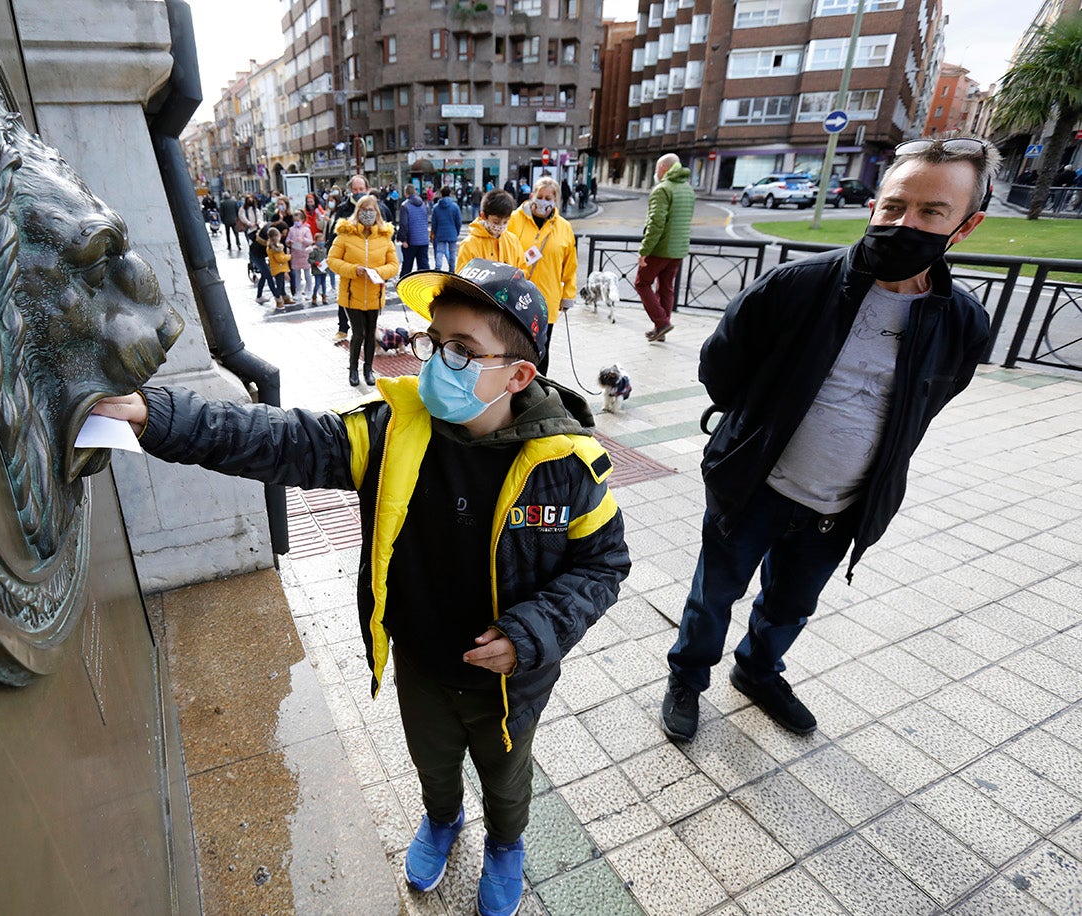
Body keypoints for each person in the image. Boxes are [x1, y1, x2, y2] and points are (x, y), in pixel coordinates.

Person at [89, 259, 629, 916]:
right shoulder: (393, 432)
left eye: (463, 352)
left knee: (506, 779)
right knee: (433, 763)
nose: (439, 363)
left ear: (517, 375)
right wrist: (159, 416)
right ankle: (441, 820)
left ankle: (506, 846)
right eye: (437, 343)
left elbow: (603, 564)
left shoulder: (568, 464)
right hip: (423, 661)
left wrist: (533, 632)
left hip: (512, 684)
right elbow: (282, 440)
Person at [659, 136, 999, 743]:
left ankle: (758, 671)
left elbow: (930, 402)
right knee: (714, 594)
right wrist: (756, 429)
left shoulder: (961, 322)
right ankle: (688, 675)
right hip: (755, 486)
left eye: (931, 213)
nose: (904, 223)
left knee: (791, 604)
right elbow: (720, 367)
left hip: (842, 503)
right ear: (874, 205)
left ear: (966, 226)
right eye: (894, 207)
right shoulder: (799, 285)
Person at [506, 176, 576, 374]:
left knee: (542, 349)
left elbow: (570, 264)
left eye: (548, 197)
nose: (543, 201)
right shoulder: (514, 220)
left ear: (555, 200)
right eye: (540, 196)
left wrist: (568, 295)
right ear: (532, 196)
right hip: (517, 297)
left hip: (548, 298)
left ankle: (538, 390)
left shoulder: (564, 227)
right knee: (515, 346)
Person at [327, 195, 399, 386]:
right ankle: (353, 370)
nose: (368, 213)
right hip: (352, 295)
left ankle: (368, 369)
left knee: (370, 333)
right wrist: (353, 270)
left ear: (377, 212)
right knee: (358, 333)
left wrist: (378, 272)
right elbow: (332, 261)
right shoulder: (345, 235)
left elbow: (393, 265)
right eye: (364, 209)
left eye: (371, 209)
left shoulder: (384, 237)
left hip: (375, 294)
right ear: (357, 211)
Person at [634, 153, 696, 343]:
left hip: (661, 249)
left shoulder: (662, 189)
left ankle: (661, 323)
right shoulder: (687, 189)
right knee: (666, 287)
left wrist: (644, 251)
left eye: (656, 168)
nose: (655, 172)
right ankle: (661, 327)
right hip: (678, 249)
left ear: (663, 168)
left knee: (641, 283)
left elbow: (656, 223)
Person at [328, 174, 393, 341]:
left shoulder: (380, 208)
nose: (358, 192)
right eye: (355, 190)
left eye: (361, 189)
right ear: (350, 190)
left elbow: (387, 233)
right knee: (346, 299)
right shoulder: (343, 209)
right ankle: (343, 328)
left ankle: (370, 334)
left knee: (370, 311)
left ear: (367, 189)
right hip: (351, 273)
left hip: (373, 274)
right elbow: (334, 236)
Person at [457, 190, 527, 272]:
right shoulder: (469, 245)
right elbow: (461, 279)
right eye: (496, 222)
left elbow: (523, 269)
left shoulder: (513, 241)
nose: (500, 226)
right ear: (483, 216)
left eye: (505, 222)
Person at [397, 184, 432, 278]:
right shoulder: (423, 204)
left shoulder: (405, 205)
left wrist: (403, 239)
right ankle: (426, 285)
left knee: (407, 266)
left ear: (406, 193)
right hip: (423, 239)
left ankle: (402, 286)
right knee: (423, 266)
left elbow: (404, 224)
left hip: (411, 240)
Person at [431, 186, 463, 272]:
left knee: (439, 251)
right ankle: (452, 269)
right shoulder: (455, 206)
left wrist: (435, 232)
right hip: (452, 232)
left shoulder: (436, 207)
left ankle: (438, 267)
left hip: (440, 233)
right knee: (452, 253)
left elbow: (434, 222)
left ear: (441, 194)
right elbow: (459, 221)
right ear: (450, 194)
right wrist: (457, 231)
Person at [250, 226, 282, 304]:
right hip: (256, 255)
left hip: (257, 254)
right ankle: (277, 296)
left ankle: (259, 296)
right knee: (268, 275)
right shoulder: (269, 244)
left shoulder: (268, 237)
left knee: (264, 275)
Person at [287, 217, 315, 303]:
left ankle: (309, 290)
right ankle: (298, 291)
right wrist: (289, 242)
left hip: (304, 254)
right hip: (295, 254)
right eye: (295, 221)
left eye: (298, 220)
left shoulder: (306, 229)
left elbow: (310, 241)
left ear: (302, 220)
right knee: (297, 275)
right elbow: (287, 240)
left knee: (307, 274)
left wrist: (303, 240)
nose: (297, 222)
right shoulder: (291, 230)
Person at [265, 227, 295, 306]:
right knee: (280, 285)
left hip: (277, 268)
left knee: (281, 285)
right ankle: (278, 299)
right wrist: (288, 257)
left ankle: (285, 298)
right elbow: (280, 259)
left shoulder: (271, 246)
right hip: (279, 268)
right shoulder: (275, 248)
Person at [309, 231, 331, 305]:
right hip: (317, 270)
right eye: (319, 241)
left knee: (324, 284)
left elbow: (326, 257)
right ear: (315, 241)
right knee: (317, 284)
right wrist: (315, 263)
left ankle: (324, 296)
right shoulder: (314, 250)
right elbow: (310, 259)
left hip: (324, 270)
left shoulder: (324, 250)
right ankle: (314, 297)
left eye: (322, 241)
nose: (321, 242)